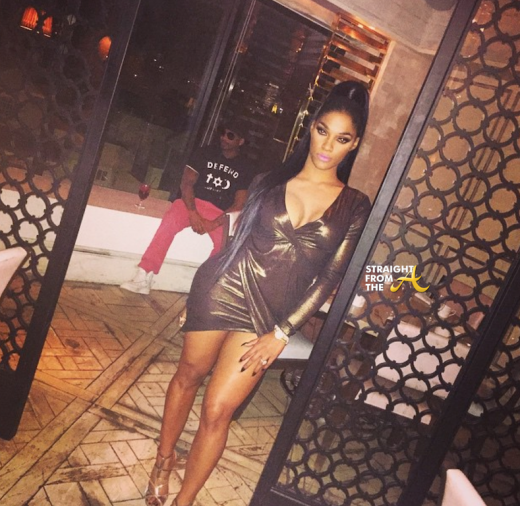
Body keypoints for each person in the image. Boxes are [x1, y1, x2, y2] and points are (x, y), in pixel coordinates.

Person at [144, 81, 372, 506]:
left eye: (342, 139)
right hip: (220, 290)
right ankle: (163, 460)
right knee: (187, 376)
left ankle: (184, 501)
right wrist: (195, 300)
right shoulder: (269, 181)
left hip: (269, 316)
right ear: (311, 128)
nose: (328, 146)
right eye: (323, 131)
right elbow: (235, 244)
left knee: (218, 410)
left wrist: (282, 333)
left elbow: (329, 278)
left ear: (354, 144)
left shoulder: (356, 205)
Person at [121, 118, 254, 294]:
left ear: (241, 141)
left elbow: (239, 204)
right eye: (222, 133)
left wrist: (213, 223)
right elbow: (186, 183)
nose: (224, 138)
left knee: (225, 245)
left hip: (220, 212)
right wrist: (192, 212)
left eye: (230, 135)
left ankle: (203, 289)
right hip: (193, 202)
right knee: (170, 220)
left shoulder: (246, 167)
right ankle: (144, 275)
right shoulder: (204, 153)